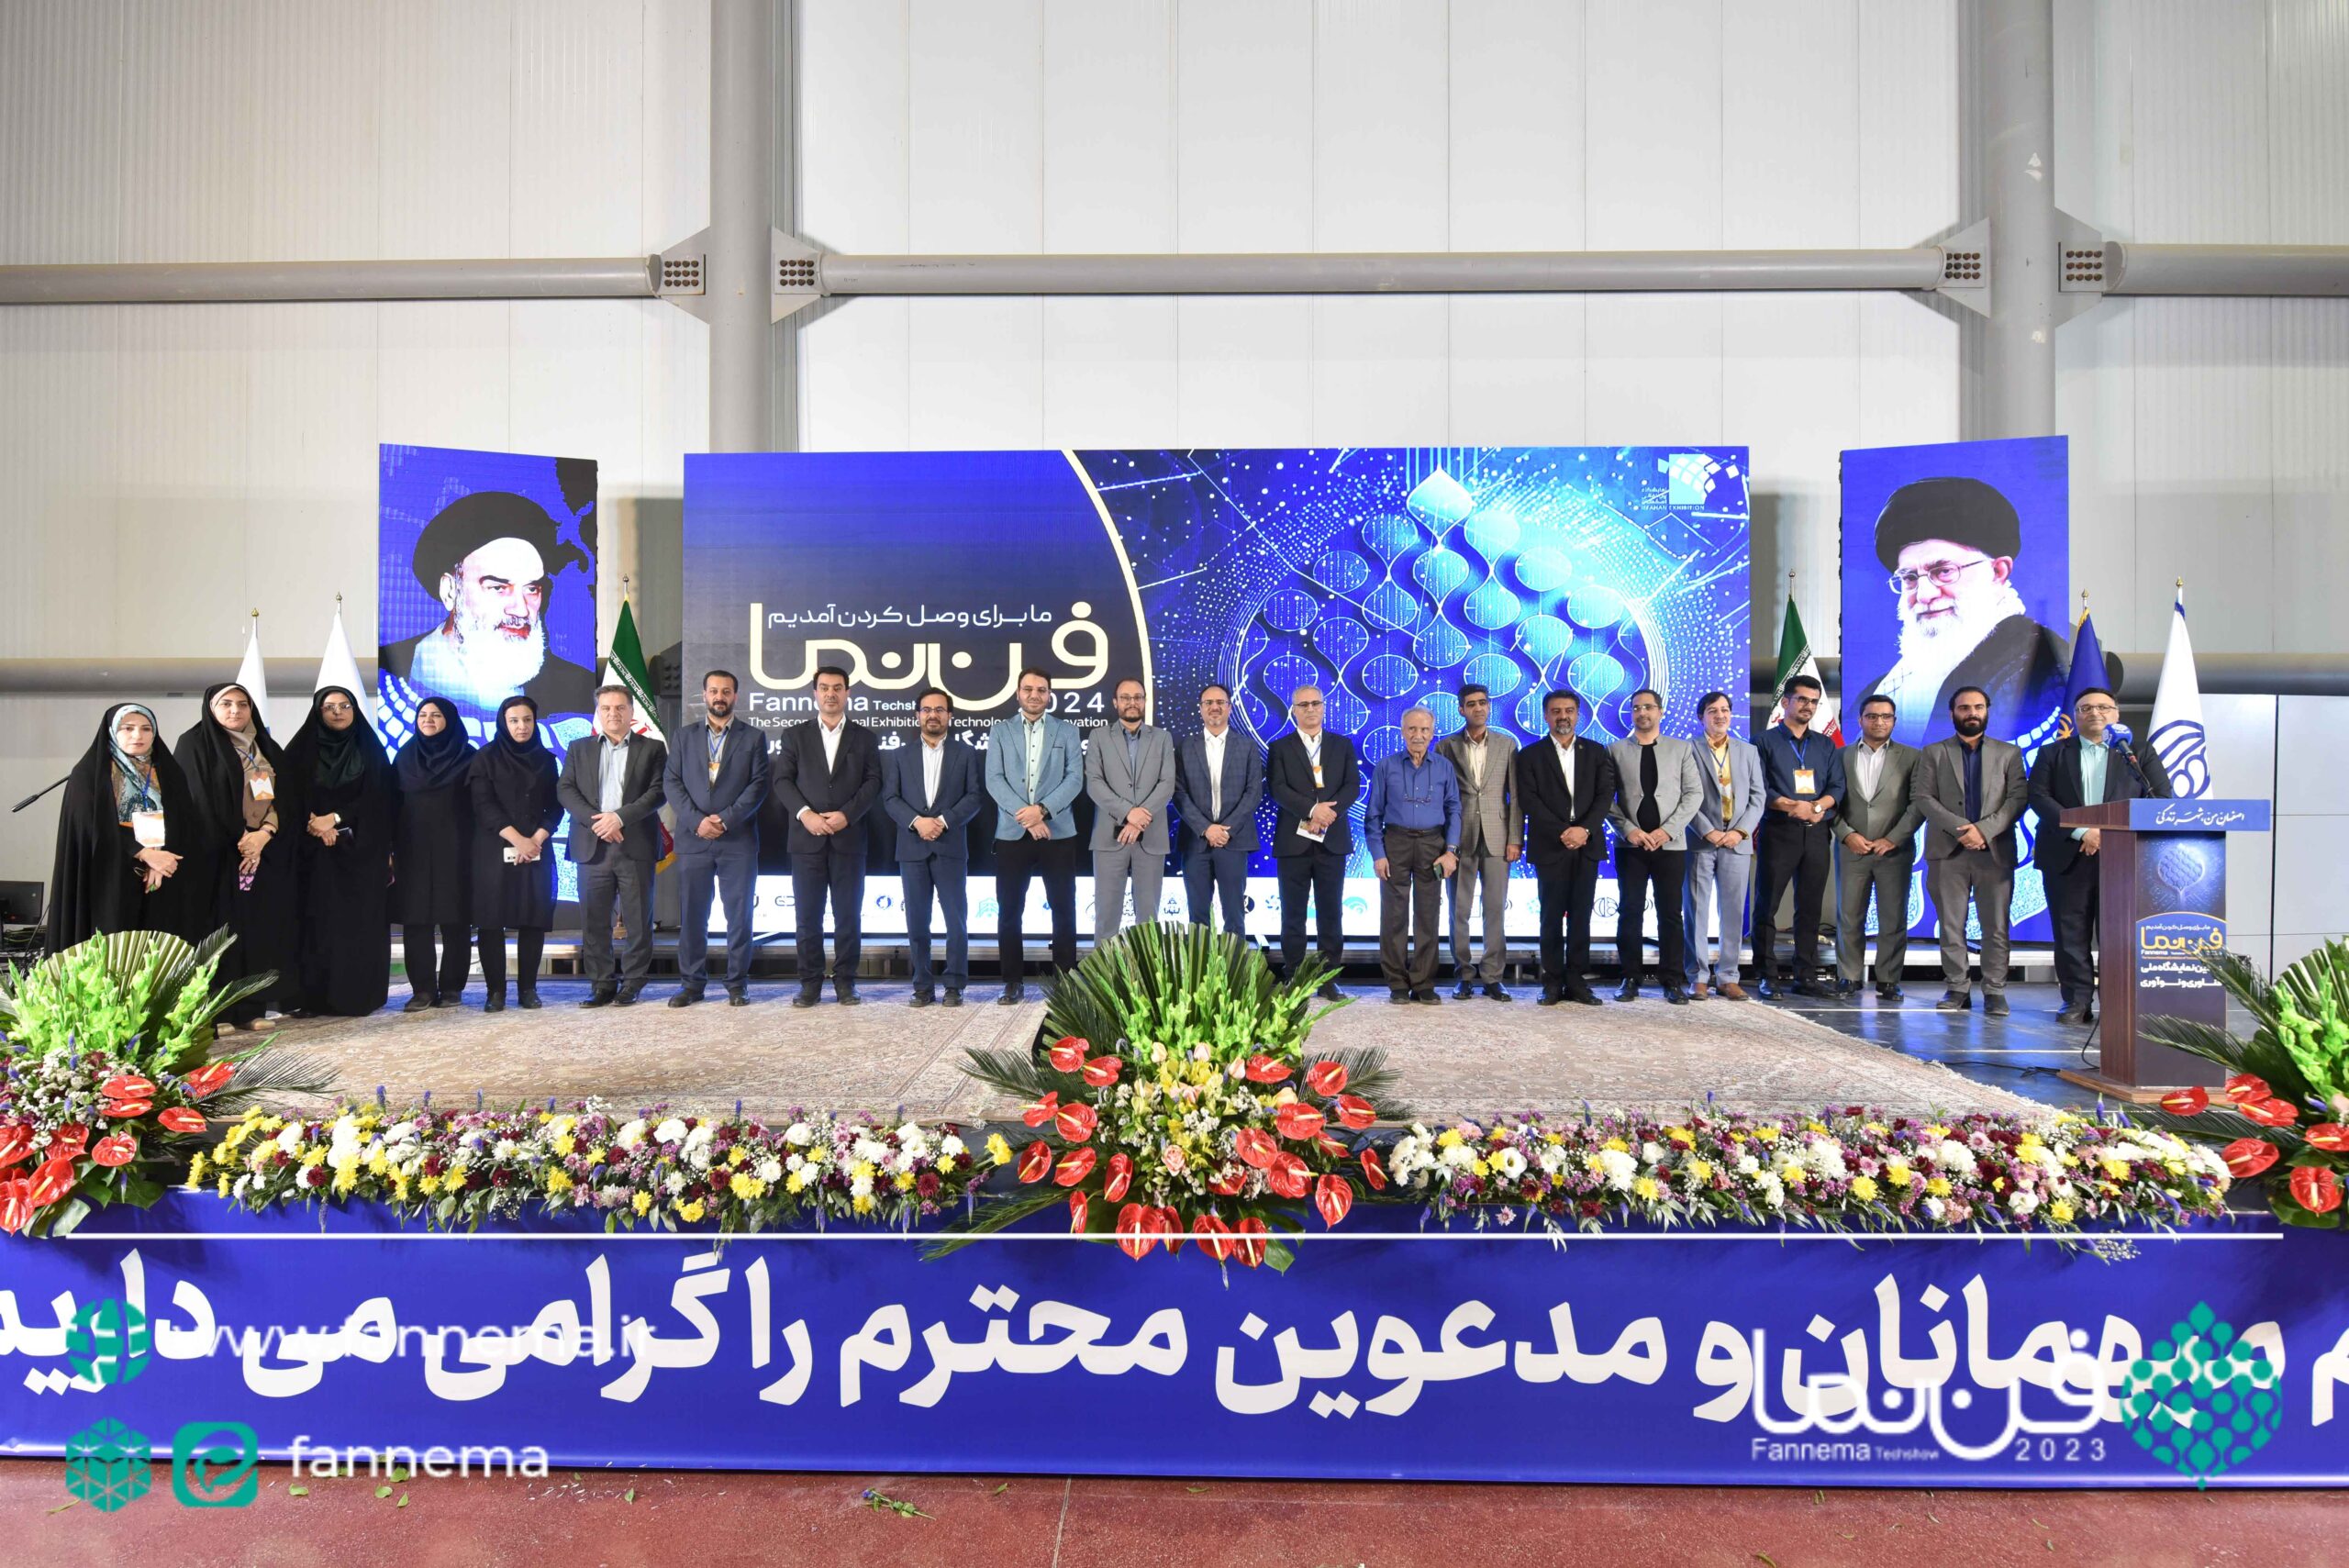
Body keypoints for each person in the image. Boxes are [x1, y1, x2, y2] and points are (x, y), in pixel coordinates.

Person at [1856, 477, 2068, 747]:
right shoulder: (1883, 690)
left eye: (1944, 571)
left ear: (1998, 571)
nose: (1924, 594)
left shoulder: (2043, 670)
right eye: (1909, 578)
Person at [379, 490, 598, 719]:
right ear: (450, 591)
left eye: (531, 589)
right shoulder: (387, 671)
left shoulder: (579, 691)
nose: (521, 609)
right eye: (499, 588)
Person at [2028, 685, 2173, 1025]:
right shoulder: (2052, 752)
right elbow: (2039, 798)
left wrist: (2107, 834)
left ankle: (2117, 1001)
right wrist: (2083, 832)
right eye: (2086, 708)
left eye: (2103, 707)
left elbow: (2159, 798)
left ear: (2116, 714)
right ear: (2075, 716)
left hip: (2121, 856)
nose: (2095, 713)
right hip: (2066, 854)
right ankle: (2076, 1001)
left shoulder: (2138, 753)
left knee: (2117, 934)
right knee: (2070, 933)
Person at [173, 683, 297, 1027]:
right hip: (217, 857)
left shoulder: (264, 746)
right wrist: (241, 838)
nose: (235, 710)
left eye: (242, 704)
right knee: (218, 934)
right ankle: (216, 1013)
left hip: (261, 853)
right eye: (225, 704)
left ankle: (251, 1009)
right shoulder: (194, 744)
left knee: (256, 930)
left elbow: (286, 798)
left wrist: (263, 835)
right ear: (210, 708)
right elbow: (196, 800)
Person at [49, 703, 209, 951]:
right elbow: (88, 825)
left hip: (162, 872)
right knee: (112, 949)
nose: (138, 735)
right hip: (109, 872)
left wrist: (159, 858)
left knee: (155, 950)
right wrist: (144, 853)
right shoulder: (90, 773)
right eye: (128, 728)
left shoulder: (169, 771)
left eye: (146, 729)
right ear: (112, 731)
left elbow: (184, 821)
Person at [1913, 685, 2030, 1016]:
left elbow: (2018, 799)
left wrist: (1984, 831)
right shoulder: (1934, 752)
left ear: (1987, 711)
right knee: (1951, 926)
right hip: (1948, 851)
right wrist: (1963, 831)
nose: (1972, 713)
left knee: (1996, 927)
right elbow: (1923, 798)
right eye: (1964, 708)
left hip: (1994, 851)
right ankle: (1957, 988)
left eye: (1978, 707)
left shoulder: (2009, 753)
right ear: (1952, 713)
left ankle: (1994, 990)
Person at [283, 687, 397, 1017]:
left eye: (345, 706)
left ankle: (358, 997)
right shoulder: (299, 750)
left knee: (358, 926)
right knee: (315, 923)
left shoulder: (370, 750)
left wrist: (334, 818)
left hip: (361, 855)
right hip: (312, 854)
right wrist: (314, 824)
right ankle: (311, 999)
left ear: (355, 710)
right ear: (318, 712)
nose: (337, 712)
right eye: (329, 707)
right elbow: (286, 795)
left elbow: (380, 799)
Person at [772, 665, 882, 1007]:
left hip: (849, 839)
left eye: (837, 688)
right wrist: (806, 814)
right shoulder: (795, 735)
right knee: (808, 917)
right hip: (806, 840)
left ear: (847, 693)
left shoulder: (864, 737)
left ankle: (846, 982)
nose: (830, 694)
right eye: (824, 688)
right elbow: (782, 781)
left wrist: (846, 815)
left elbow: (873, 782)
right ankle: (810, 983)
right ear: (815, 693)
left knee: (848, 916)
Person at [663, 670, 770, 1008]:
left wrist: (724, 820)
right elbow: (672, 783)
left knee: (739, 917)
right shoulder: (683, 737)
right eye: (713, 691)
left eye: (726, 691)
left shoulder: (753, 738)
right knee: (693, 917)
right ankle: (691, 984)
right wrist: (698, 821)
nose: (719, 697)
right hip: (693, 839)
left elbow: (758, 786)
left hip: (737, 841)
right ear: (704, 695)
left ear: (735, 696)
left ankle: (737, 984)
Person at [558, 684, 667, 1007]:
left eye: (620, 707)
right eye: (606, 708)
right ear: (598, 712)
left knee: (638, 921)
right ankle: (602, 983)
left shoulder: (652, 748)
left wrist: (618, 818)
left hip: (635, 845)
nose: (613, 714)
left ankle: (633, 982)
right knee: (594, 921)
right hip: (592, 846)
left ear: (631, 712)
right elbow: (565, 789)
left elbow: (659, 791)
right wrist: (599, 823)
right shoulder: (579, 748)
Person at [984, 668, 1085, 1004]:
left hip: (1058, 833)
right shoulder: (1000, 731)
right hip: (1013, 834)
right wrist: (1027, 817)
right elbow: (994, 779)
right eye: (1028, 689)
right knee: (1009, 910)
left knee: (1064, 908)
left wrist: (1042, 810)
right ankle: (1012, 981)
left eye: (1041, 690)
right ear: (1018, 693)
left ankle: (1064, 983)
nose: (1034, 695)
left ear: (1049, 694)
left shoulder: (1067, 731)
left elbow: (1074, 779)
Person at [883, 688, 985, 1006]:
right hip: (912, 848)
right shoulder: (899, 756)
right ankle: (922, 986)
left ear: (949, 716)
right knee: (917, 923)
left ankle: (954, 985)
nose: (933, 715)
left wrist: (942, 821)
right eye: (927, 710)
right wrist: (917, 822)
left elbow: (974, 797)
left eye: (939, 710)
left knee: (956, 922)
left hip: (950, 846)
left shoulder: (965, 754)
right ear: (918, 716)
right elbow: (890, 799)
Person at [1515, 689, 1616, 1007]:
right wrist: (1563, 832)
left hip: (1587, 844)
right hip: (1550, 845)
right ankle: (1552, 981)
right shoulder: (1530, 755)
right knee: (1550, 917)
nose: (1563, 716)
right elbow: (1529, 800)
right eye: (1556, 711)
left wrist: (1583, 830)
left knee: (1581, 916)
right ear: (1546, 715)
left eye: (1569, 710)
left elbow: (1605, 795)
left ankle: (1576, 980)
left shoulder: (1596, 752)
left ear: (1578, 714)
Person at [1752, 674, 1845, 1000]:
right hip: (1779, 831)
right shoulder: (1762, 742)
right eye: (1802, 699)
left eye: (1814, 702)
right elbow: (1760, 787)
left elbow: (1837, 787)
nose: (1808, 706)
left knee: (1810, 908)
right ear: (1785, 702)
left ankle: (1806, 976)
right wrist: (1794, 806)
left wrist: (1816, 807)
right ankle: (1766, 975)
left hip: (1817, 832)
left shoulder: (1825, 744)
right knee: (1767, 906)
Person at [1607, 689, 1700, 1005]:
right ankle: (1630, 977)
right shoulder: (1615, 750)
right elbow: (1605, 798)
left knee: (1671, 913)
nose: (1642, 713)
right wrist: (1629, 830)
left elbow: (1694, 794)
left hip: (1670, 846)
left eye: (1648, 707)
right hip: (1631, 846)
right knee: (1629, 911)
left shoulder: (1681, 748)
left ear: (1660, 711)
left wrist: (1667, 831)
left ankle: (1672, 979)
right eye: (1636, 708)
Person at [470, 695, 563, 1011]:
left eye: (527, 720)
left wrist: (535, 839)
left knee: (533, 919)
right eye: (514, 721)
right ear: (503, 723)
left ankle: (528, 989)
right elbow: (483, 805)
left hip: (537, 848)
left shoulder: (546, 759)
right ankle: (495, 992)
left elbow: (556, 806)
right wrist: (517, 840)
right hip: (493, 849)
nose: (521, 726)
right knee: (491, 921)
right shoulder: (485, 758)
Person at [1266, 686, 1358, 1002]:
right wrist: (1311, 810)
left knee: (1331, 913)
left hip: (1332, 840)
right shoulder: (1279, 747)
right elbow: (1277, 788)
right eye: (1303, 704)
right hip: (1293, 843)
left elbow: (1352, 786)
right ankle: (1294, 976)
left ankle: (1328, 978)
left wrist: (1328, 813)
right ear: (1293, 710)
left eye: (1315, 703)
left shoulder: (1342, 745)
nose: (1310, 709)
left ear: (1323, 707)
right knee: (1292, 914)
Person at [1833, 695, 1925, 1003]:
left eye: (1886, 716)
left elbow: (1918, 804)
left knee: (1893, 917)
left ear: (1894, 721)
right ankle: (1848, 976)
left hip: (1894, 850)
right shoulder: (1840, 756)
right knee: (1849, 916)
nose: (1879, 722)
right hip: (1852, 848)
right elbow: (1830, 800)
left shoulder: (1912, 757)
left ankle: (1888, 979)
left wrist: (1893, 839)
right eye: (1872, 716)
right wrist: (1847, 834)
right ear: (1860, 720)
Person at [1366, 708, 1460, 1005]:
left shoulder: (1444, 767)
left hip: (1433, 844)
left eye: (1424, 730)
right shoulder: (1386, 766)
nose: (1418, 735)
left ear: (1432, 733)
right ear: (1402, 732)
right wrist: (1378, 854)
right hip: (1395, 842)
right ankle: (1396, 984)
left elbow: (1454, 810)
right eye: (1412, 729)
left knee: (1428, 915)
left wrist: (1451, 851)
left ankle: (1423, 983)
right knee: (1393, 916)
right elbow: (1373, 815)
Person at [391, 696, 477, 1011]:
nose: (428, 720)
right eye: (423, 715)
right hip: (412, 850)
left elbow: (479, 807)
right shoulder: (404, 757)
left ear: (449, 720)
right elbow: (392, 805)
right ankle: (422, 990)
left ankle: (452, 988)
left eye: (436, 715)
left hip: (458, 850)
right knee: (416, 921)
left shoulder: (469, 757)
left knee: (456, 920)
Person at [1435, 683, 1520, 1001]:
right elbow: (1442, 799)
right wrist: (1445, 844)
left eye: (1483, 702)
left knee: (1495, 909)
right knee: (1459, 910)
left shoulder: (1507, 744)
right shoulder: (1446, 746)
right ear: (1461, 709)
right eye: (1471, 704)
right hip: (1460, 837)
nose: (1478, 708)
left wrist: (1515, 838)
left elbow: (1516, 797)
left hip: (1498, 837)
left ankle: (1493, 977)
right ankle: (1464, 975)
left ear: (1489, 706)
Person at [1681, 692, 1765, 1001]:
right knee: (1696, 910)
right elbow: (1683, 795)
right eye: (1713, 711)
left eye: (1725, 710)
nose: (1720, 715)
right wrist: (1708, 831)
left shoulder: (1748, 751)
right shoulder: (1687, 749)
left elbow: (1758, 797)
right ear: (1701, 716)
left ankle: (1729, 976)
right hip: (1700, 840)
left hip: (1736, 842)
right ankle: (1698, 976)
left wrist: (1740, 832)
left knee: (1733, 912)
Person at [1085, 677, 1175, 945]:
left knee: (1148, 920)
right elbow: (1094, 783)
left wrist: (1139, 819)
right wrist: (1128, 813)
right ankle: (1106, 972)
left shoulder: (1162, 737)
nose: (1132, 702)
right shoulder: (1099, 737)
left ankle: (1146, 972)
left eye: (1137, 697)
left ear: (1145, 701)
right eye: (1125, 697)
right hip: (1109, 838)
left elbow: (1167, 784)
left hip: (1151, 837)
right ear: (1115, 702)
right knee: (1106, 917)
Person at [1174, 684, 1263, 937]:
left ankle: (1233, 963)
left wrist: (1225, 831)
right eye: (1209, 703)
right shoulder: (1184, 747)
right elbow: (1178, 793)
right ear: (1201, 709)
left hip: (1233, 842)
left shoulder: (1247, 746)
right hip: (1196, 842)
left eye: (1220, 702)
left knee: (1235, 915)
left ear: (1229, 708)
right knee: (1197, 918)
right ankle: (1199, 964)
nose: (1215, 707)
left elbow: (1253, 793)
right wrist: (1206, 828)